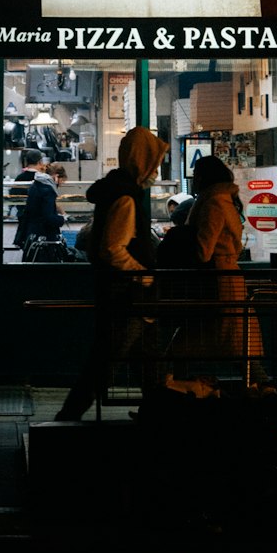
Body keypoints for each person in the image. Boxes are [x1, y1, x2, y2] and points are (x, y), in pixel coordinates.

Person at [56, 125, 169, 421]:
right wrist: (142, 274)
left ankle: (157, 413)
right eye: (154, 164)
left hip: (127, 294)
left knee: (149, 358)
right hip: (129, 295)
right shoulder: (126, 198)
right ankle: (68, 416)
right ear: (142, 161)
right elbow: (113, 248)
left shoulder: (114, 193)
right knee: (106, 361)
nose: (156, 171)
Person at [175, 155, 265, 380]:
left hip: (214, 284)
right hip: (225, 282)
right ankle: (266, 395)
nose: (193, 180)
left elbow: (204, 250)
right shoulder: (224, 201)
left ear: (203, 178)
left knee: (185, 348)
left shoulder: (212, 203)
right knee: (239, 348)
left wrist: (181, 243)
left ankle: (172, 400)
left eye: (196, 175)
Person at [14, 159, 66, 250]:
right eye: (62, 181)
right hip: (43, 237)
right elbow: (48, 217)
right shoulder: (48, 190)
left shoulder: (37, 184)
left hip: (31, 234)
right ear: (57, 177)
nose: (60, 184)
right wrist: (62, 219)